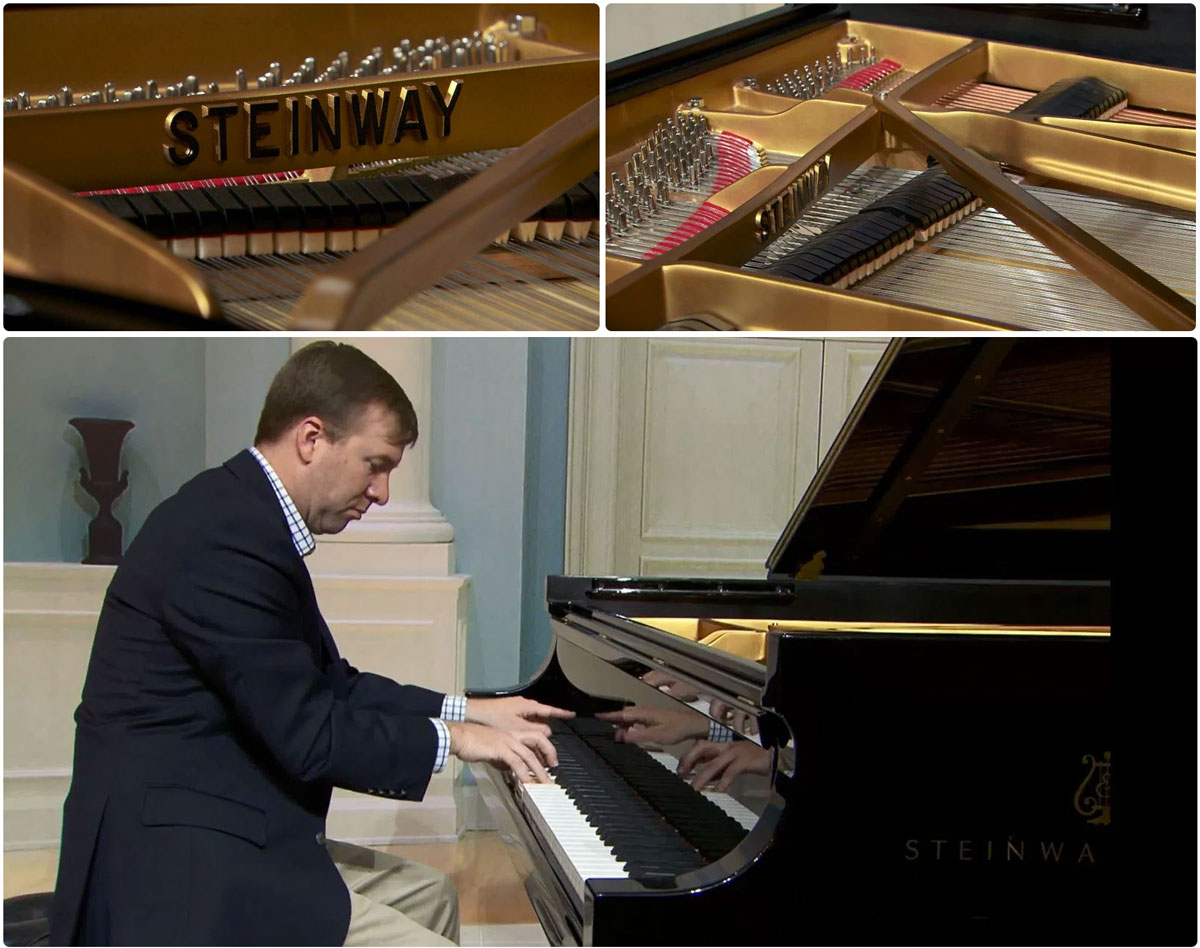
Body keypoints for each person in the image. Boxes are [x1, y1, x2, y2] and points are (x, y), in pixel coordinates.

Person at [49, 342, 573, 947]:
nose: (380, 492)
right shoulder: (227, 533)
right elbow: (309, 735)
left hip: (219, 816)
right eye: (374, 464)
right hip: (173, 855)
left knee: (429, 896)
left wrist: (469, 709)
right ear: (311, 438)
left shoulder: (245, 515)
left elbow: (333, 683)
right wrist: (455, 741)